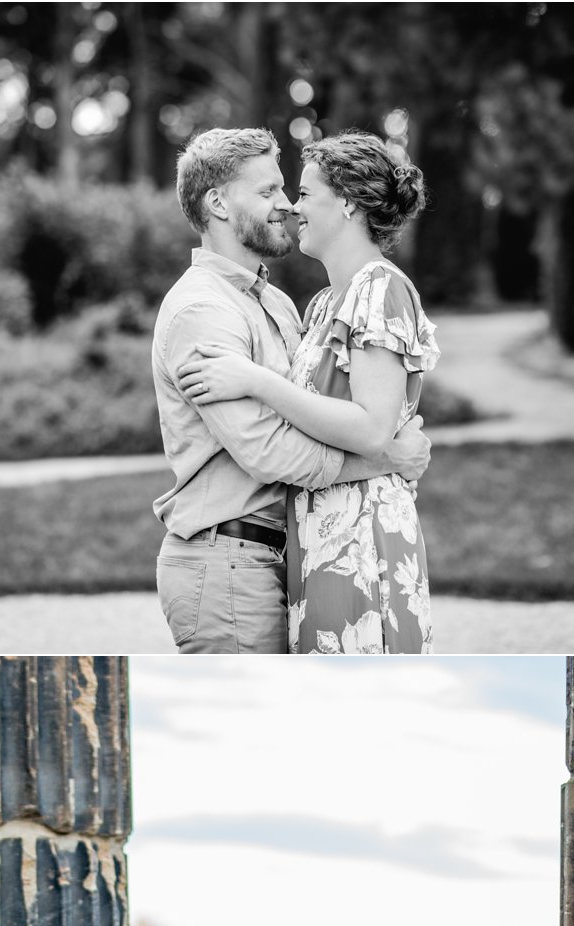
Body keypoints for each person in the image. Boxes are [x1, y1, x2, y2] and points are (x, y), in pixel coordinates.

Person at [148, 126, 433, 654]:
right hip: (229, 556)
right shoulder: (202, 311)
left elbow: (343, 403)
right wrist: (388, 459)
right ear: (217, 203)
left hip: (298, 550)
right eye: (269, 193)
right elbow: (266, 448)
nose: (285, 206)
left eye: (292, 191)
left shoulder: (279, 304)